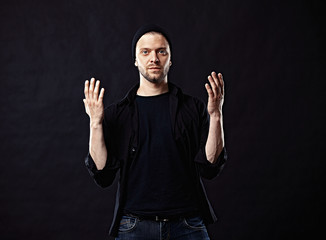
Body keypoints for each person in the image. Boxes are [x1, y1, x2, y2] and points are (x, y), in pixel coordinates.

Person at [83, 24, 227, 240]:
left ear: (170, 59)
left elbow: (210, 167)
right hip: (134, 227)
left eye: (161, 51)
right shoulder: (118, 114)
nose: (154, 58)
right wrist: (95, 123)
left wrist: (216, 115)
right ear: (135, 59)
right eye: (145, 52)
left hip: (188, 224)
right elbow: (103, 174)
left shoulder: (193, 108)